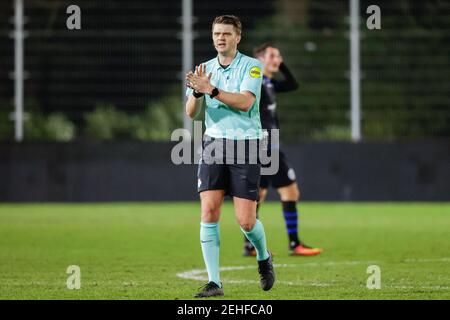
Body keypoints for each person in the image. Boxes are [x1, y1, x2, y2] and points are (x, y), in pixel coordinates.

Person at [185, 15, 275, 298]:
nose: (220, 38)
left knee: (246, 222)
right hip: (213, 144)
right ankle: (215, 283)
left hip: (245, 146)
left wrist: (210, 89)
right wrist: (198, 94)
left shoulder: (253, 67)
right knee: (209, 210)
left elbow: (246, 101)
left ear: (238, 37)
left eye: (226, 33)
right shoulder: (204, 69)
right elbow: (192, 113)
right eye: (216, 34)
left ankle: (263, 256)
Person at [243, 42, 323, 257]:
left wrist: (279, 64)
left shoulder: (267, 81)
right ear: (259, 60)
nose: (277, 59)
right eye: (272, 56)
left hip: (265, 144)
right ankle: (295, 243)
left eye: (279, 56)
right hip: (266, 146)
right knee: (290, 191)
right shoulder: (257, 81)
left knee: (258, 194)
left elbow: (293, 84)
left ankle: (250, 245)